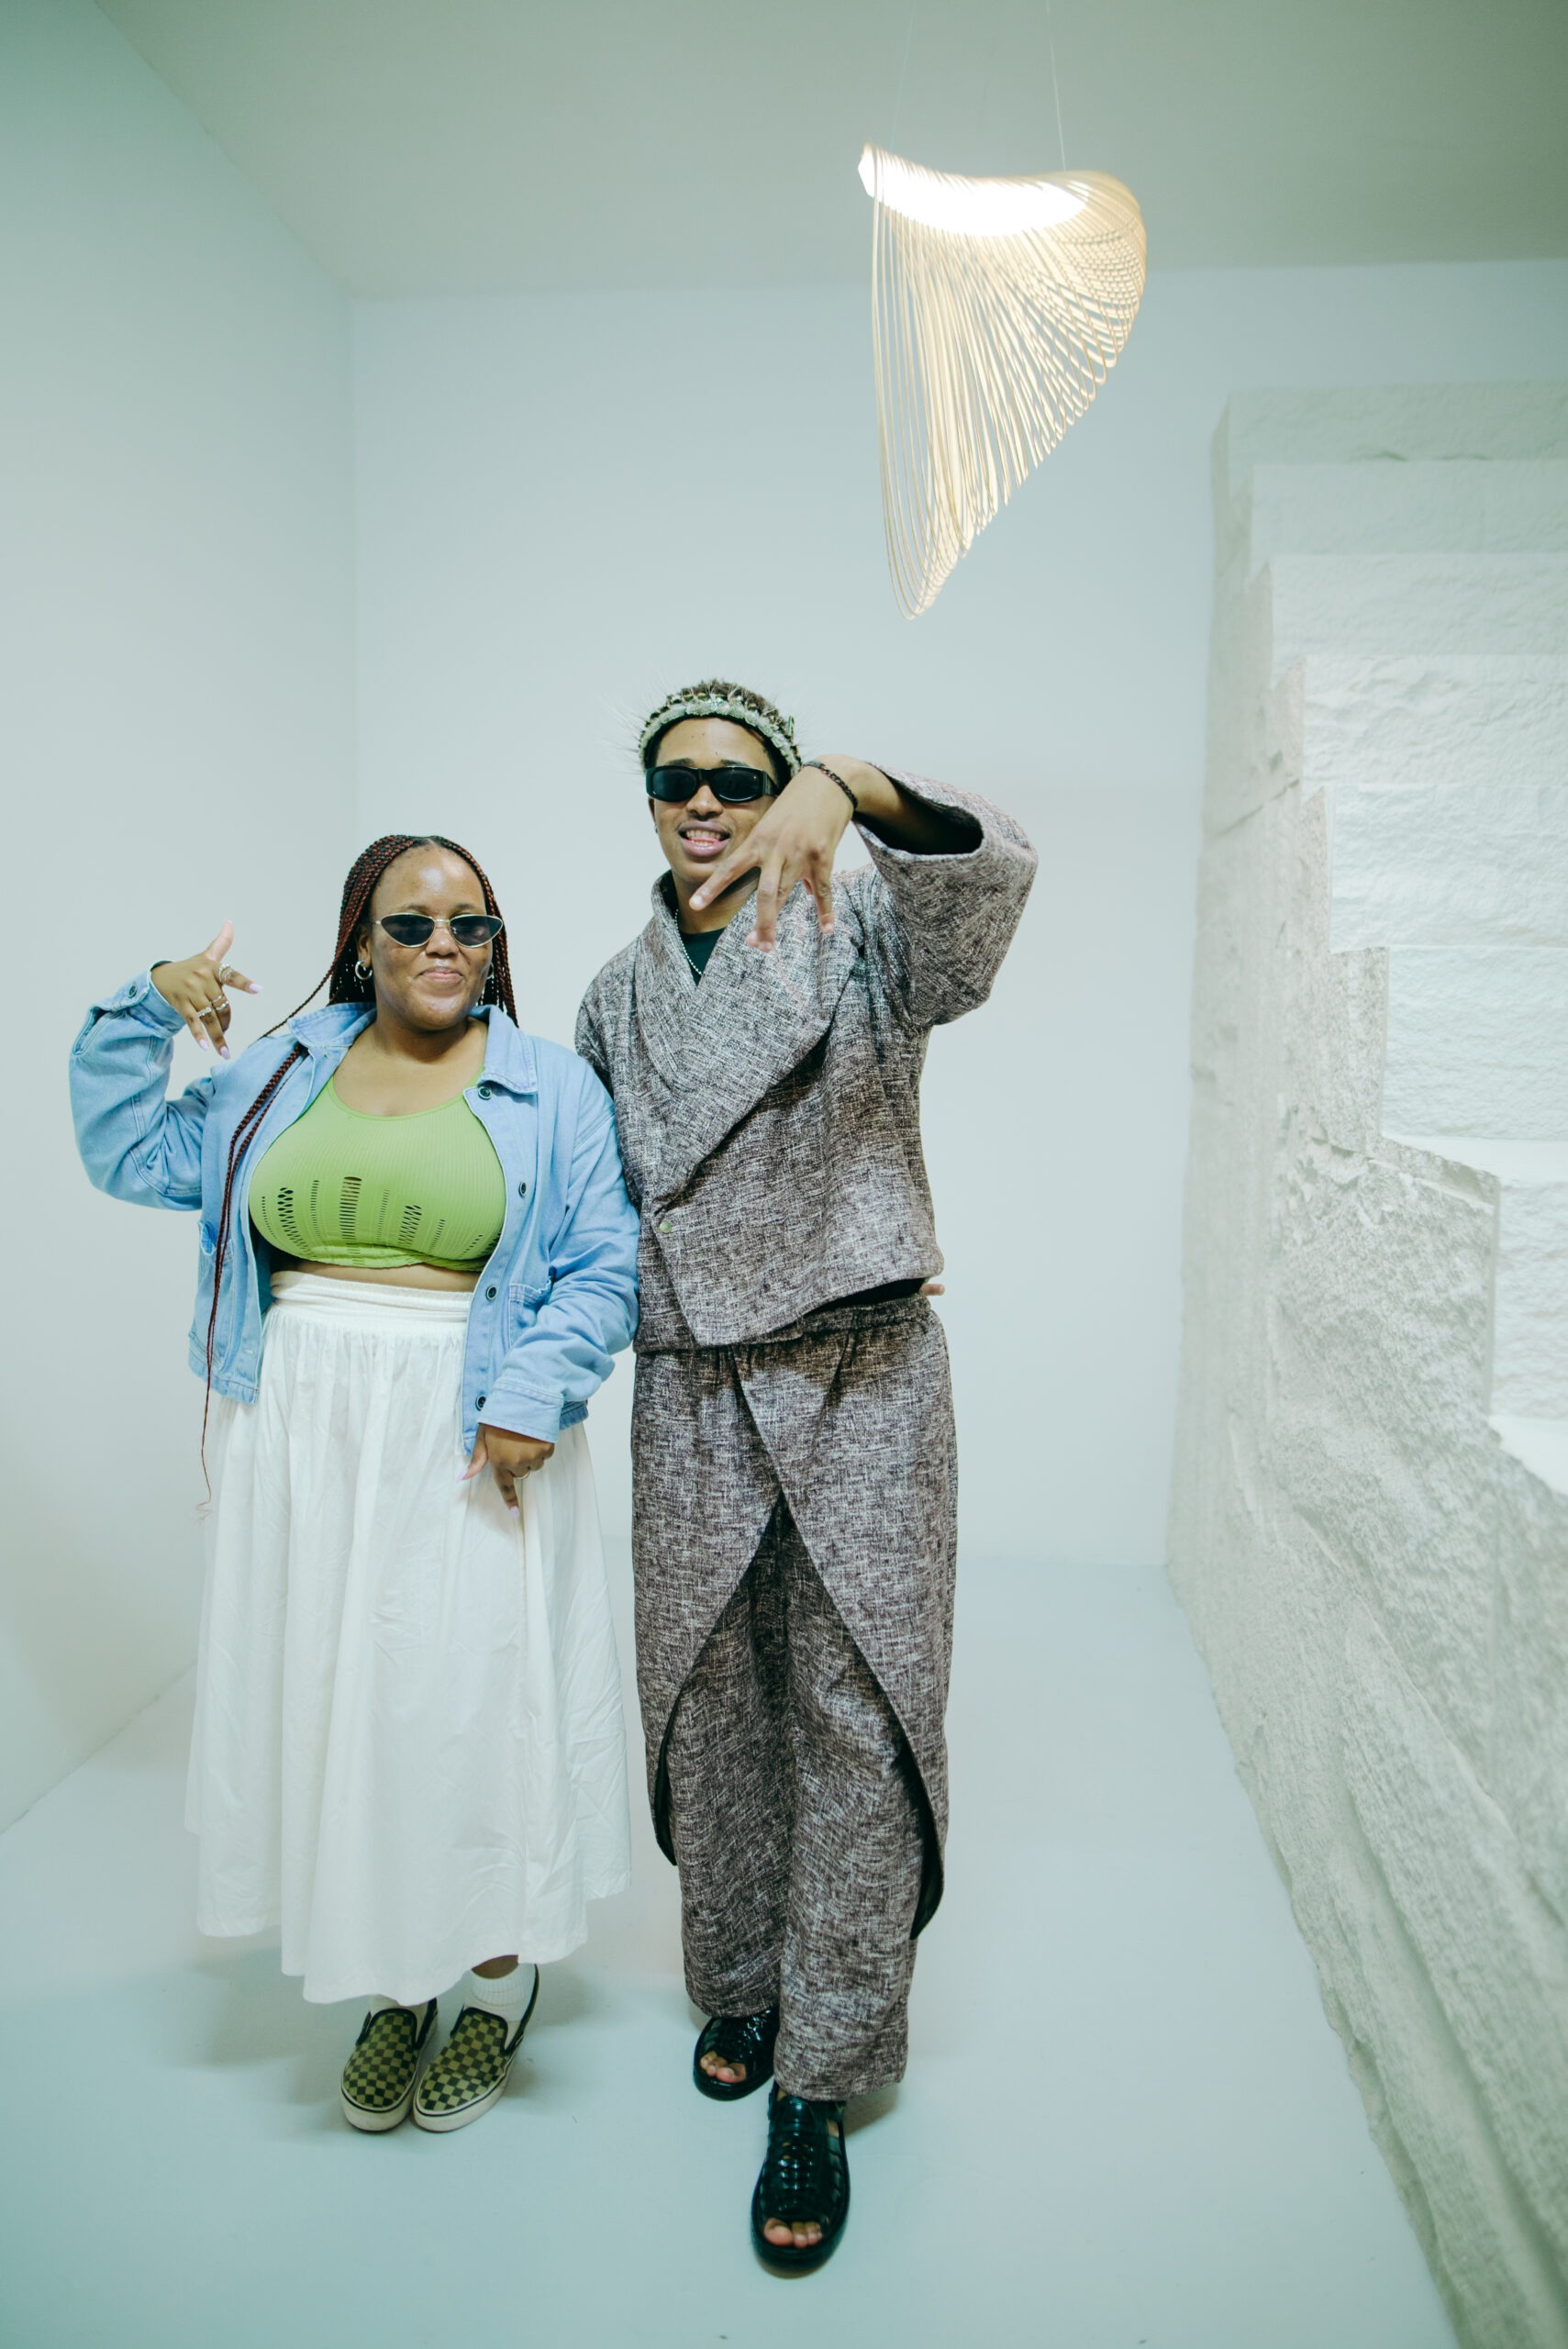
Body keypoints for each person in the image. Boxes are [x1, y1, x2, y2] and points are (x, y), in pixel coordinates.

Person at [72, 833, 639, 2135]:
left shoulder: (551, 1086)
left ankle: (492, 1981)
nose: (444, 945)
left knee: (466, 1705)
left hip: (472, 1421)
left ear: (494, 944)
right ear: (362, 941)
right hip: (303, 1429)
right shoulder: (280, 1068)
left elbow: (605, 1261)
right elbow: (128, 1153)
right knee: (341, 1696)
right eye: (412, 923)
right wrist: (146, 1007)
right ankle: (393, 1979)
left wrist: (530, 1395)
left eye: (470, 924)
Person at [576, 681, 1035, 2267]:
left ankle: (820, 2077)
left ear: (779, 791)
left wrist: (858, 782)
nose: (704, 802)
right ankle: (739, 1981)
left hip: (861, 1372)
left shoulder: (865, 930)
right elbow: (585, 1208)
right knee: (710, 1700)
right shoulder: (612, 999)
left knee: (857, 1708)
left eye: (740, 778)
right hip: (693, 1379)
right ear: (649, 802)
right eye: (675, 780)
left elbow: (987, 879)